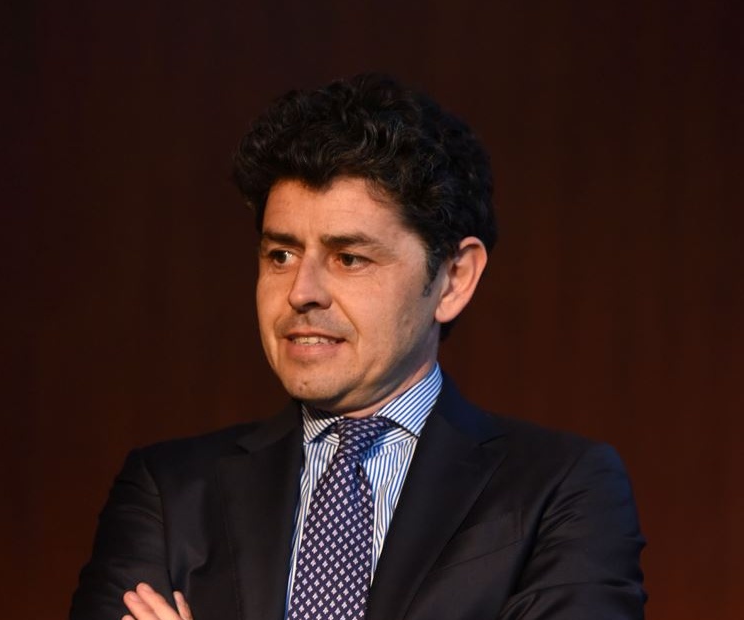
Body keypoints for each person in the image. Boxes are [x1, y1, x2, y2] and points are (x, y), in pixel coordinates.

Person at [70, 73, 646, 620]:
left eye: (349, 258)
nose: (301, 292)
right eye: (281, 255)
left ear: (453, 279)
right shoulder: (168, 493)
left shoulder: (560, 489)